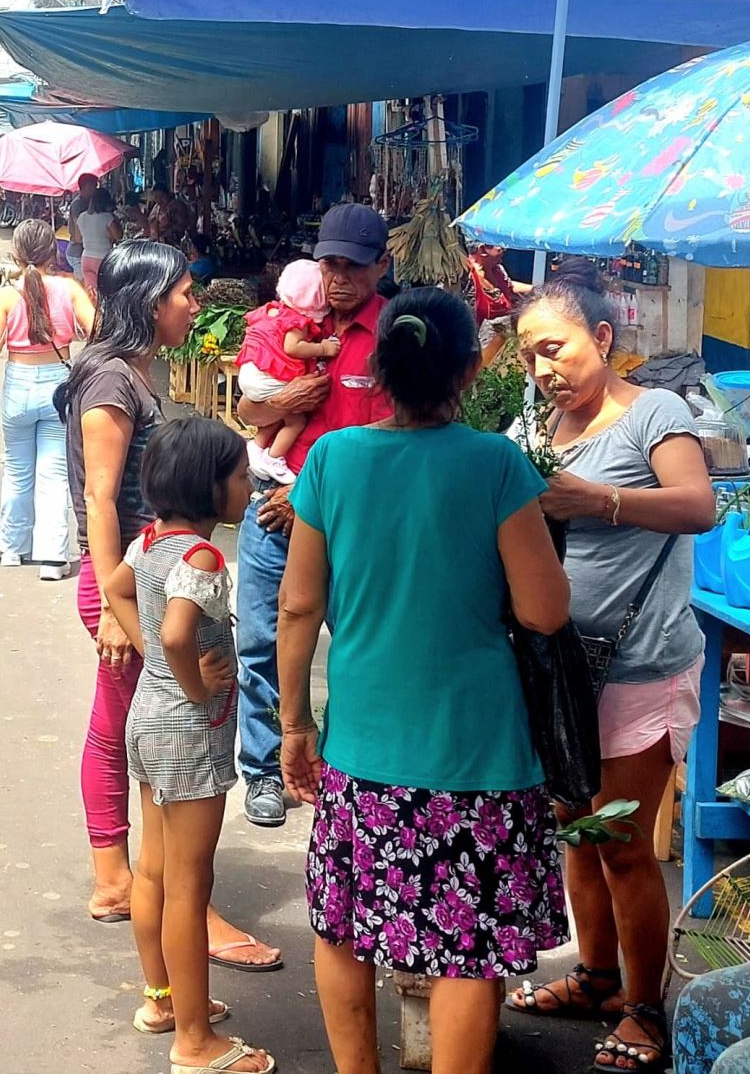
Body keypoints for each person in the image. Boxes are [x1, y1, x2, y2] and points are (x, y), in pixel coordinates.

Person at [279, 286, 572, 1074]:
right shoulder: (496, 464)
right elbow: (545, 611)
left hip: (364, 744)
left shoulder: (333, 460)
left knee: (342, 926)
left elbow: (299, 604)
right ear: (472, 371)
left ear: (376, 368)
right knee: (466, 947)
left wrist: (296, 726)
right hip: (476, 750)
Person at [504, 278, 717, 1073]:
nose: (541, 368)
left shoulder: (655, 413)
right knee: (576, 831)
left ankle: (645, 1008)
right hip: (558, 669)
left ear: (600, 335)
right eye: (528, 355)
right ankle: (593, 976)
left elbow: (698, 506)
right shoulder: (531, 422)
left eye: (553, 347)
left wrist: (598, 499)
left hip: (639, 663)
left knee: (624, 843)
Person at [62, 239, 281, 972]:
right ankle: (164, 892)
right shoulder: (110, 382)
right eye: (185, 291)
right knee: (161, 730)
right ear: (149, 299)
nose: (194, 302)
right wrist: (107, 608)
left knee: (124, 720)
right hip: (134, 573)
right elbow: (100, 496)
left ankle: (125, 879)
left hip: (138, 570)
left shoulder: (130, 372)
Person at [104, 416, 274, 1074]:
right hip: (188, 734)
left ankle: (162, 999)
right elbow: (179, 634)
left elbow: (120, 592)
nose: (248, 486)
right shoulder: (202, 556)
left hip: (148, 722)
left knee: (154, 867)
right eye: (238, 476)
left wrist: (154, 661)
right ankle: (196, 1042)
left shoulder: (149, 540)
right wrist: (193, 683)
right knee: (188, 882)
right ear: (209, 486)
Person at [233, 203, 395, 830]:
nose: (339, 278)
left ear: (381, 266)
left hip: (350, 522)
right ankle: (265, 770)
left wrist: (309, 500)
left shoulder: (394, 337)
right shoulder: (294, 319)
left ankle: (343, 768)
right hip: (273, 512)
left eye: (353, 266)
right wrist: (279, 399)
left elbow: (399, 436)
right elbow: (249, 410)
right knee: (259, 644)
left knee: (355, 648)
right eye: (329, 263)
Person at [0, 219, 94, 582]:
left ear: (15, 252)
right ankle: (53, 558)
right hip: (58, 383)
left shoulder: (6, 295)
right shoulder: (68, 288)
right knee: (54, 474)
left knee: (16, 469)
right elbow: (98, 330)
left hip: (19, 384)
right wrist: (70, 330)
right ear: (52, 252)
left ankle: (12, 549)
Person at [236, 259, 342, 485]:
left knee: (281, 416)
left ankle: (258, 446)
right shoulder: (298, 321)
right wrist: (323, 348)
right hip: (268, 379)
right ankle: (274, 459)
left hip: (253, 375)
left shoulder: (277, 310)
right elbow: (292, 347)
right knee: (295, 421)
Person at [71, 188, 120, 298]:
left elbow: (77, 239)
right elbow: (118, 236)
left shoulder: (82, 216)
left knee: (91, 294)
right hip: (103, 258)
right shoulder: (107, 217)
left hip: (86, 257)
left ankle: (93, 314)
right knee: (106, 293)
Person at [466, 240, 529, 324]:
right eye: (501, 247)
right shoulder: (466, 276)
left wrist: (537, 289)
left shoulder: (498, 269)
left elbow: (509, 287)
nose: (504, 250)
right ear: (482, 250)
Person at [64, 173, 100, 280]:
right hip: (77, 253)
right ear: (85, 186)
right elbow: (77, 235)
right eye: (93, 186)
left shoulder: (90, 202)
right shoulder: (78, 205)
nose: (95, 189)